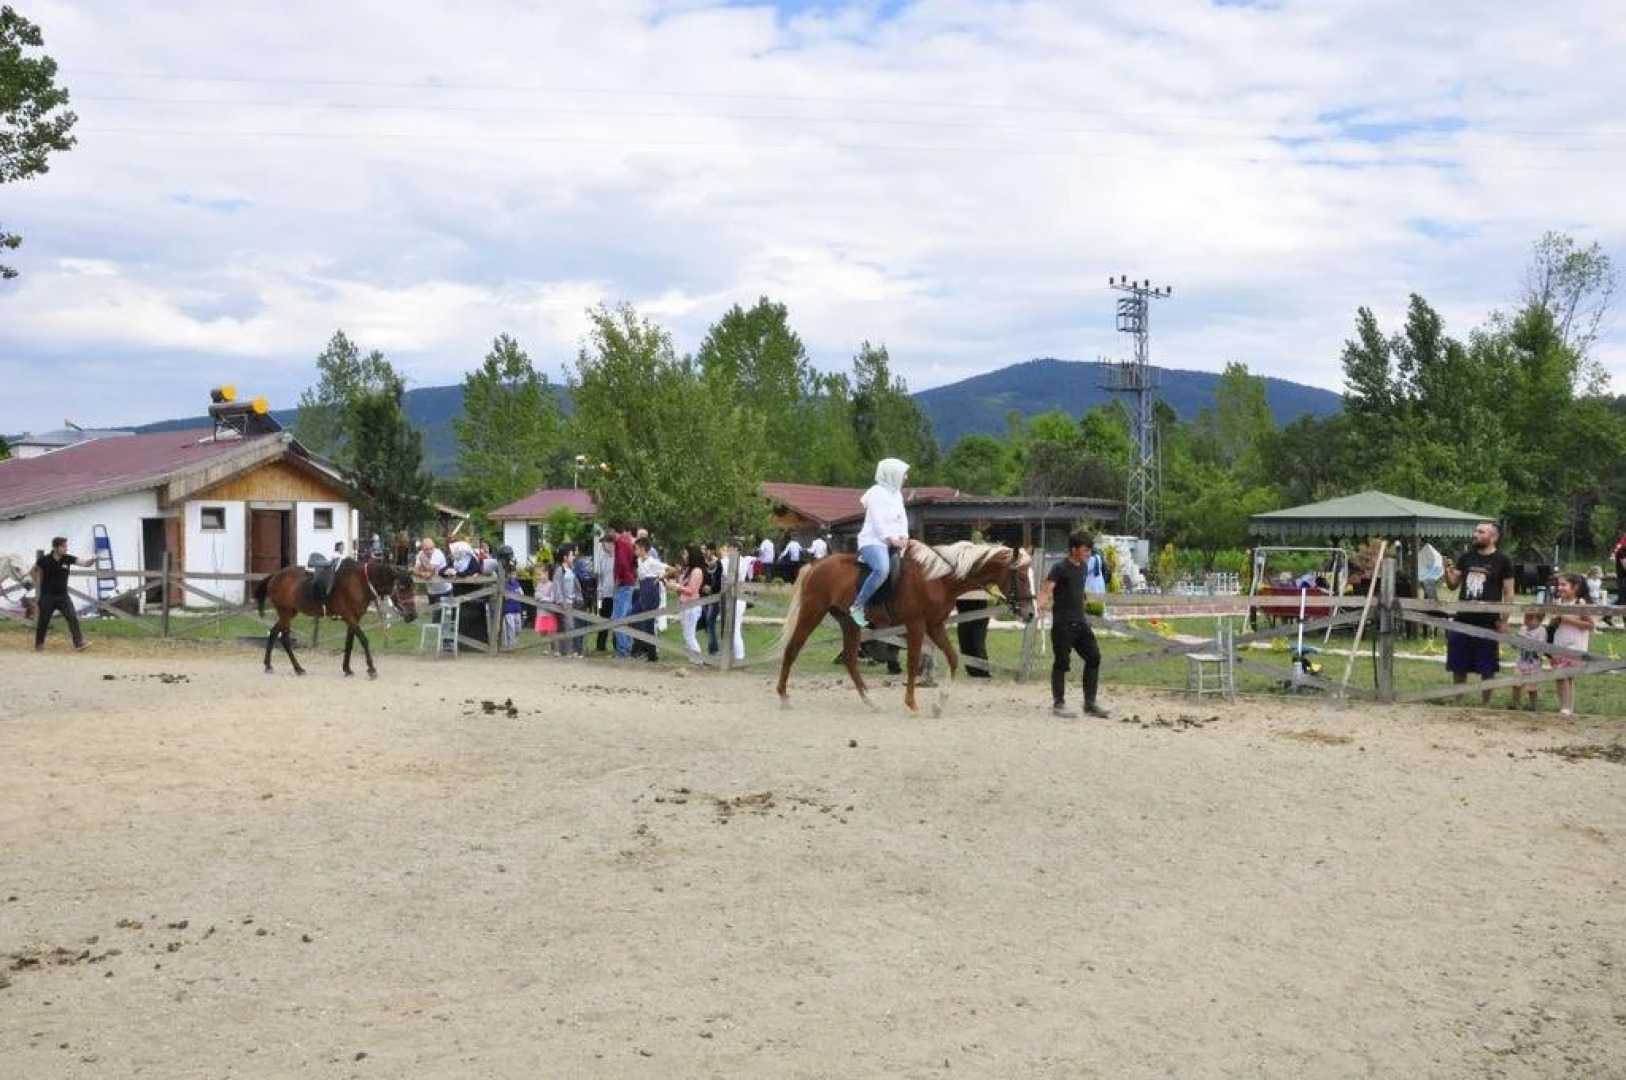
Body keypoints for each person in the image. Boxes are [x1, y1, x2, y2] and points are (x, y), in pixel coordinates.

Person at [1441, 521, 1515, 706]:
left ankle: (1485, 704)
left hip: (1487, 621)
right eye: (1475, 531)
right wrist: (1446, 569)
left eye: (1481, 532)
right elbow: (1452, 584)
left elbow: (1509, 593)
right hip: (1463, 618)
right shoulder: (1466, 557)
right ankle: (1459, 701)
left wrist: (1504, 619)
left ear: (1493, 537)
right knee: (1459, 664)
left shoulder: (1503, 560)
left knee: (1487, 666)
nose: (1475, 534)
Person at [1036, 532, 1110, 718]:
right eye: (1085, 550)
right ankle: (1059, 704)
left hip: (1081, 624)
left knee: (1094, 657)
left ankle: (1090, 703)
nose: (1088, 553)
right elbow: (1047, 589)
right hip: (1063, 625)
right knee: (1062, 663)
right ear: (1074, 549)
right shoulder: (1059, 568)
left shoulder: (1084, 567)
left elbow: (1076, 587)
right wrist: (1041, 602)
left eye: (1089, 550)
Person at [850, 457, 911, 628]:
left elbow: (902, 517)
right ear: (892, 475)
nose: (905, 478)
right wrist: (890, 538)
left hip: (894, 541)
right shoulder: (875, 492)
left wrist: (904, 535)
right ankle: (858, 605)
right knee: (882, 569)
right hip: (873, 541)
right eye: (903, 474)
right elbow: (877, 521)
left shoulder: (897, 494)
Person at [31, 536, 92, 652]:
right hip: (47, 597)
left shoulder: (67, 559)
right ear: (56, 547)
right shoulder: (44, 560)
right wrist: (37, 584)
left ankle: (79, 643)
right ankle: (39, 644)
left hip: (63, 596)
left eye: (66, 546)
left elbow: (85, 563)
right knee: (43, 621)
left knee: (72, 617)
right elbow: (33, 570)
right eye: (63, 546)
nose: (66, 549)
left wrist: (92, 560)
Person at [1549, 571, 1594, 716]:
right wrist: (1555, 619)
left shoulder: (1580, 604)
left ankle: (1566, 708)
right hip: (1560, 642)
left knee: (1565, 674)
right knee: (1560, 675)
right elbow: (1556, 622)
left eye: (1564, 584)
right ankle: (1566, 705)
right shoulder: (1558, 602)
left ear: (1575, 587)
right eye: (1558, 585)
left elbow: (1589, 624)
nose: (1559, 587)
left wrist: (1565, 618)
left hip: (1574, 645)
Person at [1512, 608, 1546, 712]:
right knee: (1516, 684)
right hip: (1521, 663)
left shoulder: (1541, 631)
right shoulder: (1522, 629)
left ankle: (1533, 706)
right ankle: (1516, 704)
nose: (1526, 620)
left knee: (1532, 688)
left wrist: (1525, 640)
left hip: (1533, 665)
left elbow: (1538, 646)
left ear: (1539, 620)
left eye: (1530, 618)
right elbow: (1515, 646)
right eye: (1526, 617)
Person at [955, 586, 992, 678]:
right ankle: (972, 673)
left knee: (977, 643)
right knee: (965, 644)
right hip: (963, 614)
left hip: (979, 613)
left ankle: (983, 673)